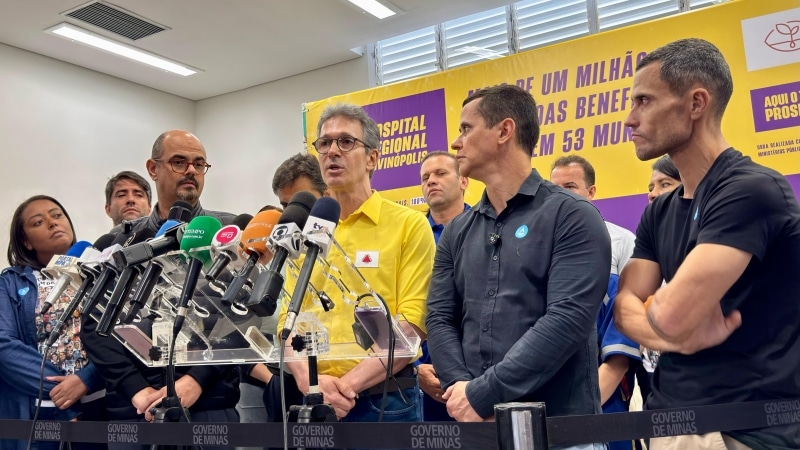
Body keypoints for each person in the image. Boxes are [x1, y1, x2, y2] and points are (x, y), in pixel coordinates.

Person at [614, 38, 800, 450]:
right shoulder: (658, 212)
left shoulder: (752, 190)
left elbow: (671, 313)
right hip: (667, 419)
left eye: (644, 101)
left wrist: (660, 320)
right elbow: (625, 305)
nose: (630, 119)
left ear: (696, 103)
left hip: (742, 429)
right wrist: (667, 329)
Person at [426, 85, 609, 450]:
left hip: (560, 433)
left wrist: (482, 394)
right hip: (478, 431)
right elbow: (439, 317)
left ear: (504, 131)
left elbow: (567, 320)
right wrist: (465, 393)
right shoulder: (457, 231)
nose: (456, 143)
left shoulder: (572, 215)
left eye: (466, 129)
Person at [81, 130, 242, 450]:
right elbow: (93, 324)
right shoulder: (117, 243)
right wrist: (136, 389)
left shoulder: (230, 233)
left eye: (199, 164)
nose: (191, 171)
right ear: (153, 169)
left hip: (208, 403)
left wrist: (195, 380)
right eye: (179, 162)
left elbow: (246, 317)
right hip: (133, 410)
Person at [279, 103, 435, 425]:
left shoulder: (409, 225)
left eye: (346, 142)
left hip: (385, 401)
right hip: (314, 397)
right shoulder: (309, 231)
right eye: (324, 143)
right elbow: (287, 322)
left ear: (372, 158)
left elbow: (412, 324)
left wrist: (345, 388)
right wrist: (310, 383)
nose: (332, 151)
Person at [0, 195, 105, 450]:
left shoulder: (104, 271)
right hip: (41, 412)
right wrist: (62, 390)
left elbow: (120, 334)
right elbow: (4, 345)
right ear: (25, 240)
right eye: (38, 222)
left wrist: (86, 380)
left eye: (57, 215)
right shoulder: (11, 282)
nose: (52, 223)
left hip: (101, 405)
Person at [417, 151, 468, 421]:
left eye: (441, 173)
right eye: (425, 177)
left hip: (479, 374)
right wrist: (414, 367)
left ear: (464, 181)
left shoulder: (490, 226)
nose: (431, 181)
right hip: (425, 373)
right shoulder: (411, 234)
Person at [550, 155, 635, 275]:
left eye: (569, 187)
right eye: (553, 188)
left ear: (590, 192)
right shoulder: (537, 240)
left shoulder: (623, 240)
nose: (559, 194)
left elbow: (635, 291)